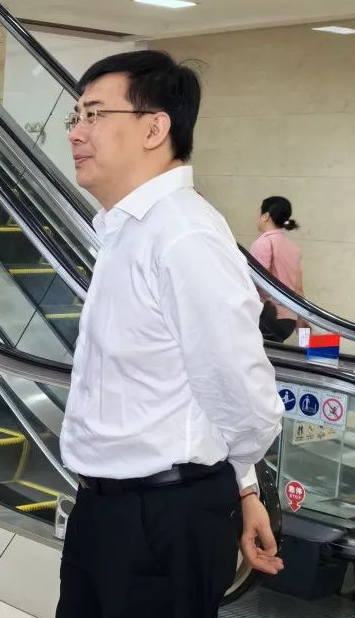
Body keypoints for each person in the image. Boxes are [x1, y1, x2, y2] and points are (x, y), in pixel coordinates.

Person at [57, 50, 285, 618]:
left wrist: (230, 482)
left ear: (155, 128)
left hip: (160, 517)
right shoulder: (127, 230)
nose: (76, 133)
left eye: (93, 115)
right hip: (107, 508)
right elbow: (191, 387)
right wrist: (243, 485)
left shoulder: (184, 235)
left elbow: (242, 392)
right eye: (75, 117)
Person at [250, 196, 304, 343]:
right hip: (288, 322)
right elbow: (298, 289)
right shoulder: (294, 248)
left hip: (268, 318)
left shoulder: (264, 243)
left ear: (265, 216)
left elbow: (255, 284)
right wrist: (302, 322)